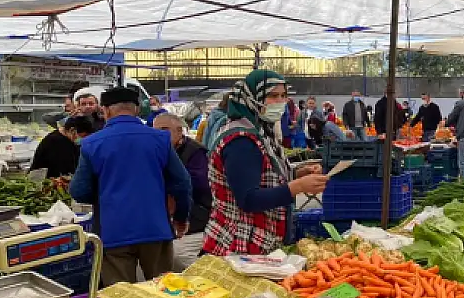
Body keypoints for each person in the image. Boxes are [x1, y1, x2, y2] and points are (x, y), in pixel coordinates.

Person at [70, 87, 193, 286]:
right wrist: (180, 218)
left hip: (113, 231)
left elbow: (79, 191)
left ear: (106, 111)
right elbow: (182, 182)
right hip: (155, 228)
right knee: (162, 291)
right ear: (136, 109)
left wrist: (105, 193)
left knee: (120, 297)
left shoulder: (92, 144)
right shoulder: (160, 139)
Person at [202, 70, 329, 256]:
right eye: (273, 96)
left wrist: (298, 174)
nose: (280, 102)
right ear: (252, 97)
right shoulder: (241, 140)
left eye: (284, 96)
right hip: (238, 246)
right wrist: (297, 187)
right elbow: (248, 199)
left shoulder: (259, 130)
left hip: (257, 243)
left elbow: (260, 176)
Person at [154, 113, 212, 233]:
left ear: (179, 131)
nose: (158, 134)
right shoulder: (157, 151)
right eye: (155, 130)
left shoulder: (195, 151)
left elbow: (199, 184)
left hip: (195, 217)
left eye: (164, 130)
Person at [31, 115, 97, 179]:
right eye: (84, 136)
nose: (85, 140)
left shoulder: (68, 139)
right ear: (72, 130)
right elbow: (65, 174)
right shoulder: (57, 142)